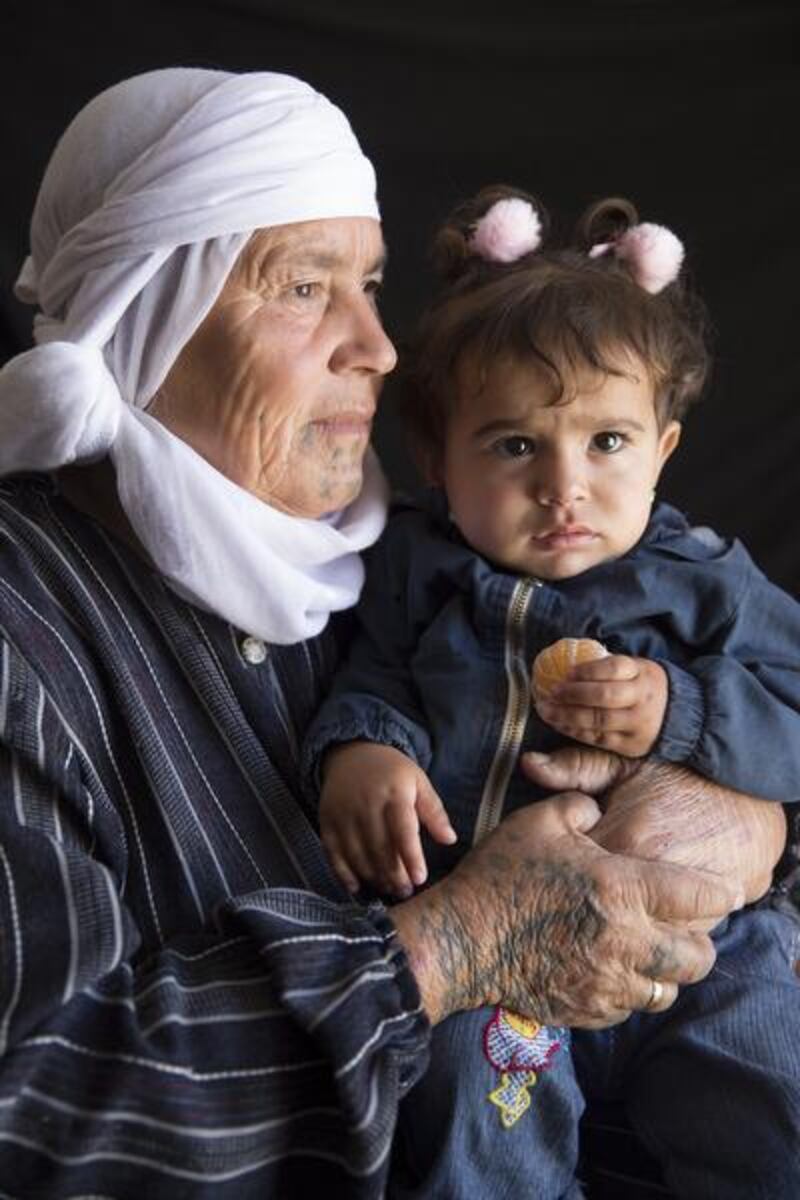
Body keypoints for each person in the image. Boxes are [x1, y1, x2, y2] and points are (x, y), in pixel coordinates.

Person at [0, 72, 789, 1197]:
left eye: (368, 285)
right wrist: (444, 951)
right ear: (146, 309)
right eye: (304, 287)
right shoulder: (22, 630)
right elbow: (35, 1118)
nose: (378, 345)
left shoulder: (388, 557)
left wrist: (757, 819)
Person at [305, 187, 800, 1197]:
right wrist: (364, 748)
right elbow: (373, 679)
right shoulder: (415, 569)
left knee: (765, 1120)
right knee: (470, 1143)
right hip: (500, 951)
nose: (563, 486)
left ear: (660, 450)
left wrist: (681, 709)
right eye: (515, 445)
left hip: (705, 947)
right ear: (436, 460)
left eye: (606, 442)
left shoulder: (704, 580)